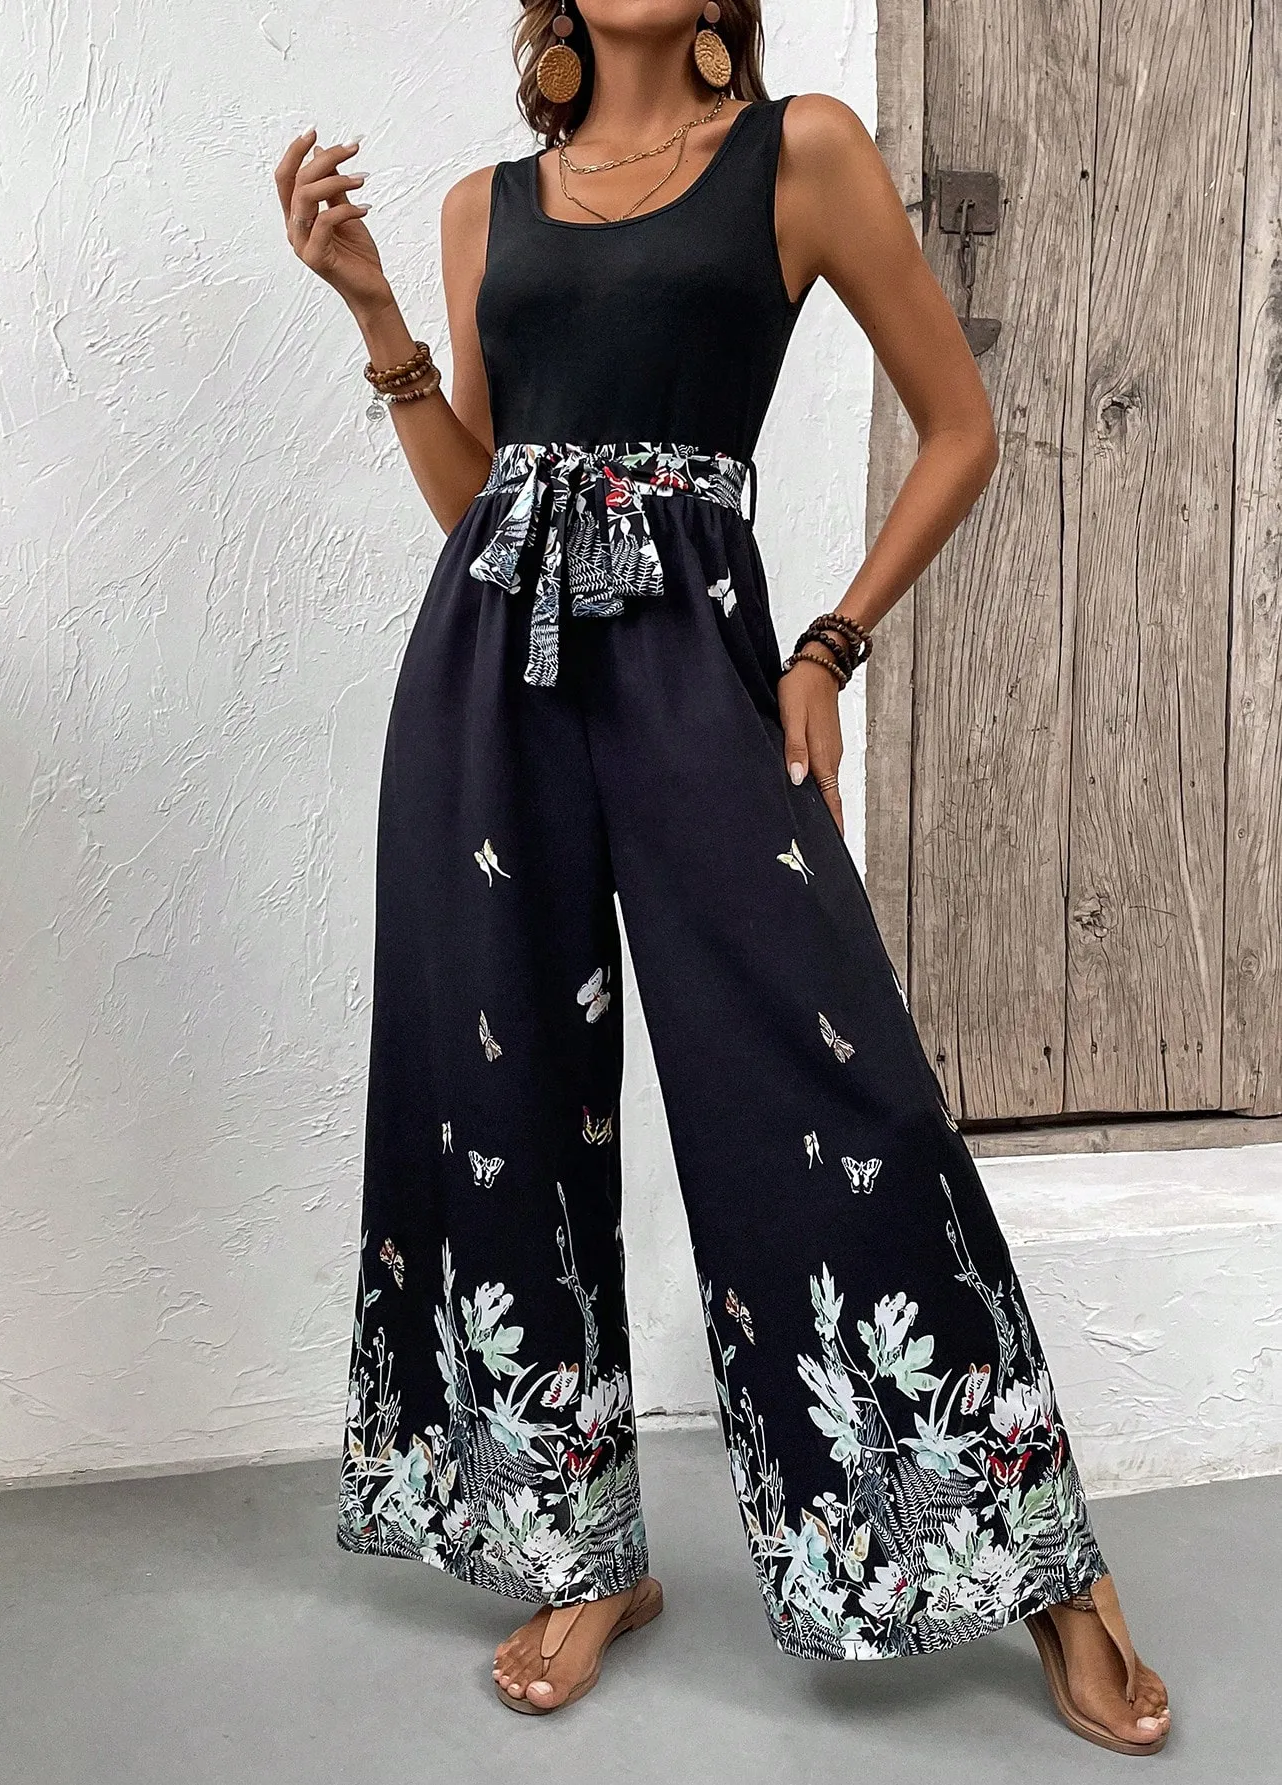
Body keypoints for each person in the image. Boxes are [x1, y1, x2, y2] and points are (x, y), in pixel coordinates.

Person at [274, 0, 1171, 1754]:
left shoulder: (798, 151)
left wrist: (828, 648)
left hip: (699, 675)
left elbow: (963, 427)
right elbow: (480, 504)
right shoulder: (481, 209)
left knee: (836, 1092)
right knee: (501, 1103)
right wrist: (379, 317)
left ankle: (1040, 1562)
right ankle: (580, 1553)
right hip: (486, 688)